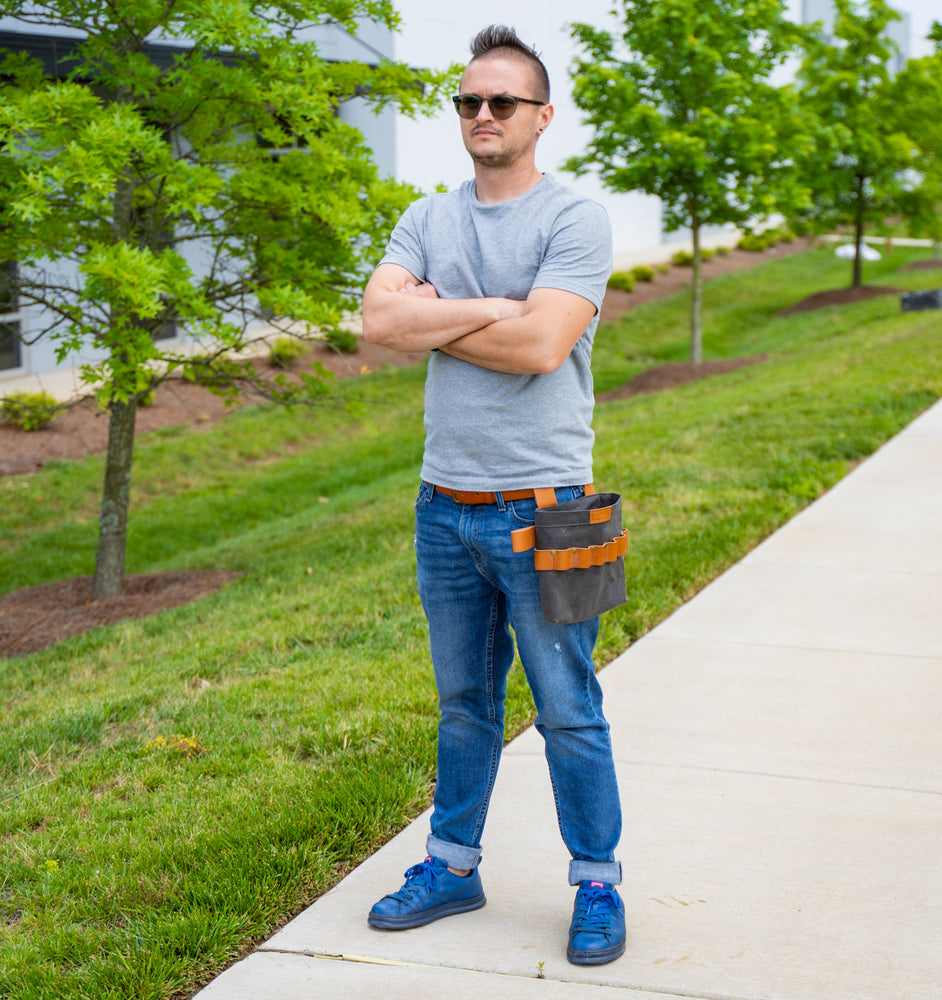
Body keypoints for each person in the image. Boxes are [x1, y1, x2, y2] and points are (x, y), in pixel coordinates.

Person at [360, 24, 625, 966]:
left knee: (567, 705)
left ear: (541, 117)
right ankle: (452, 866)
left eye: (501, 102)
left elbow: (541, 348)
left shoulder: (574, 220)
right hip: (444, 506)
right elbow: (376, 319)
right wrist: (493, 308)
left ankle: (597, 882)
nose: (481, 115)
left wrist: (433, 318)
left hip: (549, 508)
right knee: (465, 702)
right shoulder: (428, 215)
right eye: (468, 101)